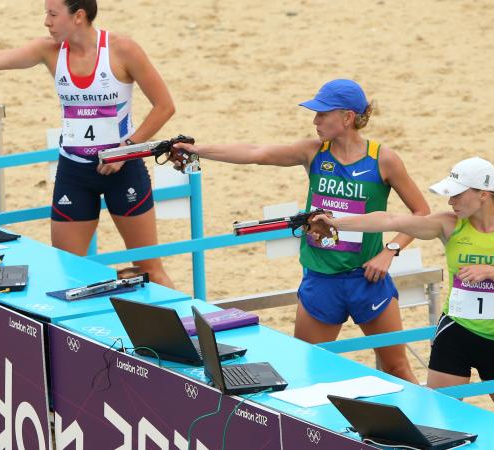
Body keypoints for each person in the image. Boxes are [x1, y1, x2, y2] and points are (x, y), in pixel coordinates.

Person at [173, 79, 430, 383]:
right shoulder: (313, 152)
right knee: (307, 372)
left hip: (367, 280)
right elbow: (256, 152)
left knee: (397, 369)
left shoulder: (383, 159)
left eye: (323, 114)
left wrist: (391, 251)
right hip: (320, 280)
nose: (315, 121)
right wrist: (198, 149)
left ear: (347, 117)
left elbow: (421, 213)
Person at [0, 0, 176, 287]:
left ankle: (186, 333)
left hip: (123, 170)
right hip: (74, 173)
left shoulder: (122, 50)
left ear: (79, 16)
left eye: (52, 14)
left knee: (150, 270)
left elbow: (164, 106)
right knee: (67, 275)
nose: (46, 22)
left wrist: (125, 150)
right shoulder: (49, 51)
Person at [310, 157, 494, 424]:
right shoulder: (448, 224)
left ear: (483, 194)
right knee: (437, 426)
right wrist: (336, 223)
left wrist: (493, 273)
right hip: (455, 333)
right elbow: (390, 220)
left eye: (456, 195)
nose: (450, 202)